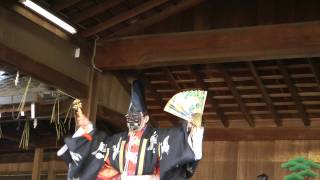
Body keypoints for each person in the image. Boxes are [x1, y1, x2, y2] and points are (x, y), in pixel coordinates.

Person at [57, 80, 204, 180]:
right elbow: (97, 147)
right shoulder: (117, 140)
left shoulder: (158, 137)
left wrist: (191, 128)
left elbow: (179, 142)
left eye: (135, 116)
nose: (131, 119)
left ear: (145, 119)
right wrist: (87, 129)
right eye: (129, 117)